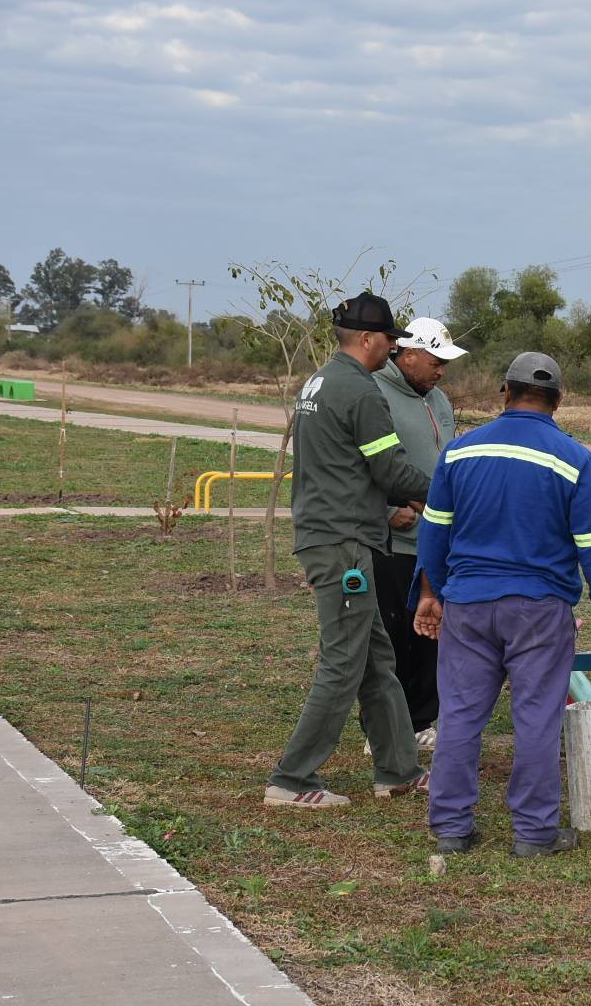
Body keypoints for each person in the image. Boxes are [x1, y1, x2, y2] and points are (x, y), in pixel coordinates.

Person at [412, 351, 591, 856]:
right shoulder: (575, 459)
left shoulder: (460, 452)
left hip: (467, 605)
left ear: (504, 392)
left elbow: (434, 533)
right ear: (559, 401)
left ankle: (450, 828)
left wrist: (431, 593)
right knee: (536, 718)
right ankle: (534, 834)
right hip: (539, 609)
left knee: (461, 715)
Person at [264, 292, 433, 808]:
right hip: (342, 545)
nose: (392, 349)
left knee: (376, 660)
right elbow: (389, 471)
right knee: (342, 663)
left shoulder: (318, 381)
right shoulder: (361, 391)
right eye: (389, 340)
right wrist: (449, 489)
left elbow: (340, 466)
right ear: (367, 339)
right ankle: (292, 780)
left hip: (333, 532)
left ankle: (399, 769)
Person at [367, 317, 467, 751]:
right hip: (393, 541)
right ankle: (383, 728)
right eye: (435, 360)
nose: (441, 370)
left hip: (437, 541)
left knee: (429, 633)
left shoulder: (439, 399)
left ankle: (423, 718)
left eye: (445, 362)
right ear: (407, 355)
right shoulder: (374, 393)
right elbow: (358, 463)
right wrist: (387, 509)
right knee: (390, 637)